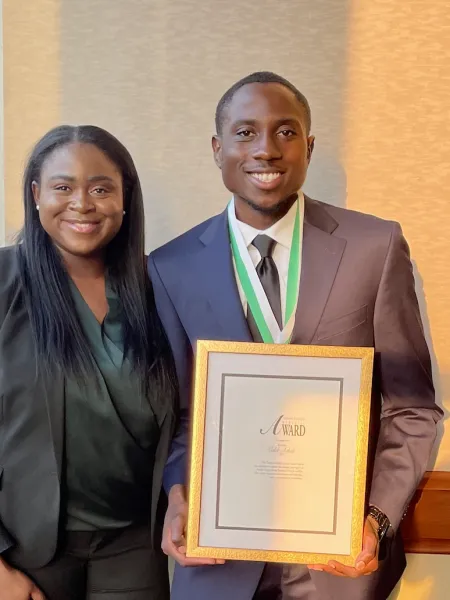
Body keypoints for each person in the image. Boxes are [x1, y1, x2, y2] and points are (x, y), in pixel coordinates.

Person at [148, 72, 443, 600]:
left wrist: (375, 519)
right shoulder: (170, 268)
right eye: (245, 133)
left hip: (339, 566)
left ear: (308, 146)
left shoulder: (374, 248)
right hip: (221, 561)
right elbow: (181, 415)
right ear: (218, 149)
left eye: (286, 132)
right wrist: (177, 492)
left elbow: (412, 408)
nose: (266, 149)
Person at [0, 125, 178, 600]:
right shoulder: (3, 282)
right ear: (36, 195)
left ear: (125, 199)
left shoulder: (158, 288)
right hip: (25, 547)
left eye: (101, 188)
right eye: (63, 187)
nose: (82, 203)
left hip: (134, 544)